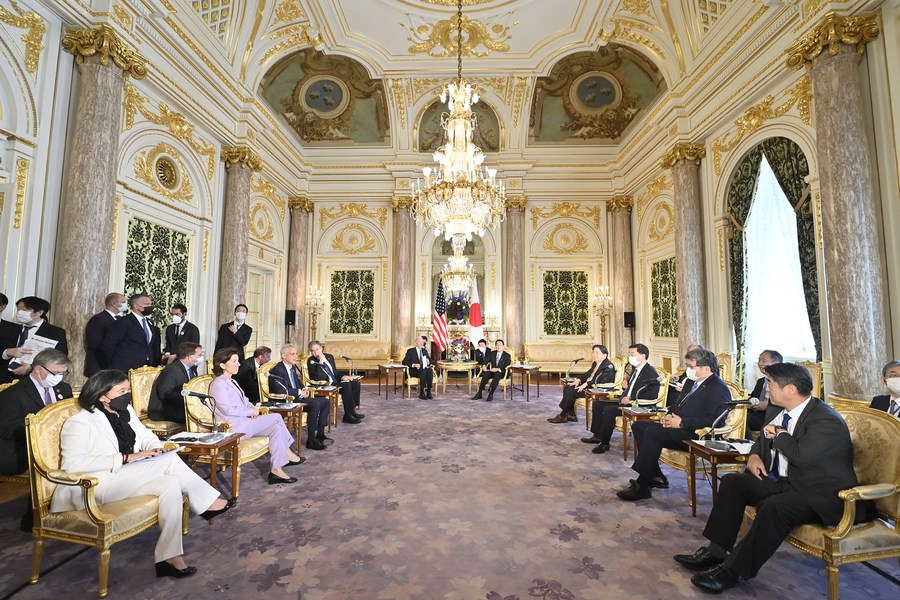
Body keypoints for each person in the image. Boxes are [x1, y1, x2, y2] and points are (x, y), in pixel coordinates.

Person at [673, 362, 870, 593]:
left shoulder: (825, 420)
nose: (766, 389)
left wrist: (780, 433)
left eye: (771, 383)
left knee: (774, 507)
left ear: (790, 390)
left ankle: (732, 571)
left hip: (821, 493)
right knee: (733, 483)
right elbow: (762, 439)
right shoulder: (778, 409)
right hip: (787, 482)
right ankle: (715, 552)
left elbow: (800, 456)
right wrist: (755, 455)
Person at [50, 369, 236, 579]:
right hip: (94, 483)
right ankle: (208, 503)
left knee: (170, 483)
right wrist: (126, 458)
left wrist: (156, 448)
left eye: (128, 390)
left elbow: (146, 435)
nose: (127, 395)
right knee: (168, 463)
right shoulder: (81, 422)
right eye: (121, 391)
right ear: (102, 396)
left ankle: (170, 558)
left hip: (125, 475)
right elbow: (72, 464)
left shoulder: (125, 410)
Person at [616, 348, 730, 501]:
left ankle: (643, 485)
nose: (688, 370)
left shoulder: (718, 388)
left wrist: (682, 423)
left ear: (706, 369)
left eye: (691, 366)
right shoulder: (691, 382)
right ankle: (655, 475)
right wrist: (668, 416)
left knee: (652, 432)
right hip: (679, 428)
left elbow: (716, 420)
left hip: (698, 434)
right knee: (639, 426)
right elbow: (677, 404)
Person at [209, 347, 305, 483]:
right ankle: (287, 452)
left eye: (238, 361)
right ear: (223, 365)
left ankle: (276, 470)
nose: (239, 364)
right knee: (276, 417)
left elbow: (245, 401)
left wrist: (253, 408)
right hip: (232, 427)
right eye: (234, 361)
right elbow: (227, 410)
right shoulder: (218, 384)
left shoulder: (232, 381)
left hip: (244, 422)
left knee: (276, 428)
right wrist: (250, 412)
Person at [0, 349, 73, 476]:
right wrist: (41, 429)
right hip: (26, 452)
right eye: (56, 373)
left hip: (62, 449)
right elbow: (6, 429)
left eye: (63, 373)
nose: (59, 377)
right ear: (38, 369)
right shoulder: (12, 394)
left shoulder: (64, 389)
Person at [581, 343, 660, 454]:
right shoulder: (636, 369)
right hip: (624, 400)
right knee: (598, 404)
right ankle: (597, 435)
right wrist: (626, 387)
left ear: (642, 356)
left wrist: (631, 398)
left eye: (632, 354)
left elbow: (652, 394)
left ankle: (604, 443)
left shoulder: (650, 372)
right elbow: (634, 387)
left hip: (636, 404)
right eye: (629, 354)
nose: (630, 357)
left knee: (609, 411)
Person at [269, 343, 331, 450]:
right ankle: (311, 440)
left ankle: (320, 434)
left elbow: (297, 381)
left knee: (325, 401)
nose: (295, 356)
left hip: (298, 398)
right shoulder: (278, 370)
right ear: (284, 356)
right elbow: (280, 390)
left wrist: (304, 388)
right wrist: (299, 392)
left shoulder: (292, 367)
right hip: (287, 400)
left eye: (296, 353)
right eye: (292, 354)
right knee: (315, 404)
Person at [0, 296, 69, 383]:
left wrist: (31, 367)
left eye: (25, 310)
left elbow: (59, 358)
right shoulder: (10, 328)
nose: (20, 312)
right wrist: (7, 352)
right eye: (18, 309)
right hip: (6, 379)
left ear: (39, 312)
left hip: (36, 380)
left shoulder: (55, 332)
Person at [549, 344, 616, 423]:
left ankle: (563, 415)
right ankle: (571, 415)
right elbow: (588, 374)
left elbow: (601, 381)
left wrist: (586, 384)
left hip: (596, 389)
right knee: (568, 387)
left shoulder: (608, 366)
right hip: (589, 385)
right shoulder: (595, 363)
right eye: (593, 352)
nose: (594, 355)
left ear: (605, 354)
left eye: (597, 353)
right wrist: (579, 380)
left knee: (571, 392)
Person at [307, 340, 364, 423]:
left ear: (321, 348)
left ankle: (352, 411)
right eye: (313, 351)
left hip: (335, 382)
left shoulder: (329, 357)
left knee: (355, 384)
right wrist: (321, 362)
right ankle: (347, 416)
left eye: (317, 349)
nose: (316, 352)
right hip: (326, 384)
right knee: (346, 386)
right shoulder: (311, 361)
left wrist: (343, 376)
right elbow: (319, 377)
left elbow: (335, 372)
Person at [101, 293, 161, 371]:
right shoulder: (123, 322)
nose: (151, 306)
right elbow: (108, 345)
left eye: (151, 304)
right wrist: (115, 366)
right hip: (126, 368)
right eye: (147, 304)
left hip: (146, 369)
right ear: (136, 306)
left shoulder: (149, 322)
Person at [148, 342, 204, 423]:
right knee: (198, 415)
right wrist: (188, 400)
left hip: (178, 406)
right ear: (189, 357)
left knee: (203, 411)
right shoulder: (172, 370)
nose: (201, 357)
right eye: (199, 355)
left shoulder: (191, 369)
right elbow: (165, 393)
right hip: (163, 410)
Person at [84, 292, 126, 376]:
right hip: (99, 367)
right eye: (123, 302)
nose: (125, 304)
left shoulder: (121, 320)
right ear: (114, 303)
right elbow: (94, 343)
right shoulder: (98, 319)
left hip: (115, 367)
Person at [747, 349, 783, 433]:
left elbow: (786, 404)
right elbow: (753, 397)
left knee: (743, 420)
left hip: (773, 418)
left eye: (763, 361)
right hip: (756, 415)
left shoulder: (782, 382)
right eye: (759, 360)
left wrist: (766, 406)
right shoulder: (760, 381)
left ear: (776, 363)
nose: (760, 364)